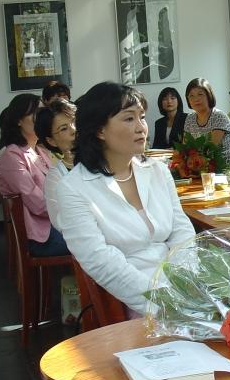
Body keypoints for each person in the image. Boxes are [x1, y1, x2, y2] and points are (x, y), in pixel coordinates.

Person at [55, 81, 195, 316]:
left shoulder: (157, 171)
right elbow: (101, 262)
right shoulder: (73, 187)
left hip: (182, 289)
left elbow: (182, 232)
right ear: (99, 130)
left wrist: (187, 284)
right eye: (129, 118)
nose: (141, 127)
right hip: (135, 303)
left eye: (142, 117)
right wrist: (164, 303)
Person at [0, 93, 69, 257]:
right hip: (41, 235)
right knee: (97, 241)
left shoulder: (39, 151)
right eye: (35, 113)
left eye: (42, 112)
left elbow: (61, 186)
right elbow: (37, 204)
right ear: (19, 120)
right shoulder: (12, 156)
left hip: (56, 223)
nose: (40, 117)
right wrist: (71, 208)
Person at [34, 98, 77, 232]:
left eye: (75, 122)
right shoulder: (56, 177)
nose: (74, 130)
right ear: (51, 141)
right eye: (64, 129)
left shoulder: (104, 159)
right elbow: (60, 222)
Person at [183, 78, 230, 164]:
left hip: (228, 164)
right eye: (191, 96)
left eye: (200, 94)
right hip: (205, 163)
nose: (196, 99)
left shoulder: (218, 116)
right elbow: (186, 147)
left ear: (209, 96)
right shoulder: (190, 118)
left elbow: (211, 149)